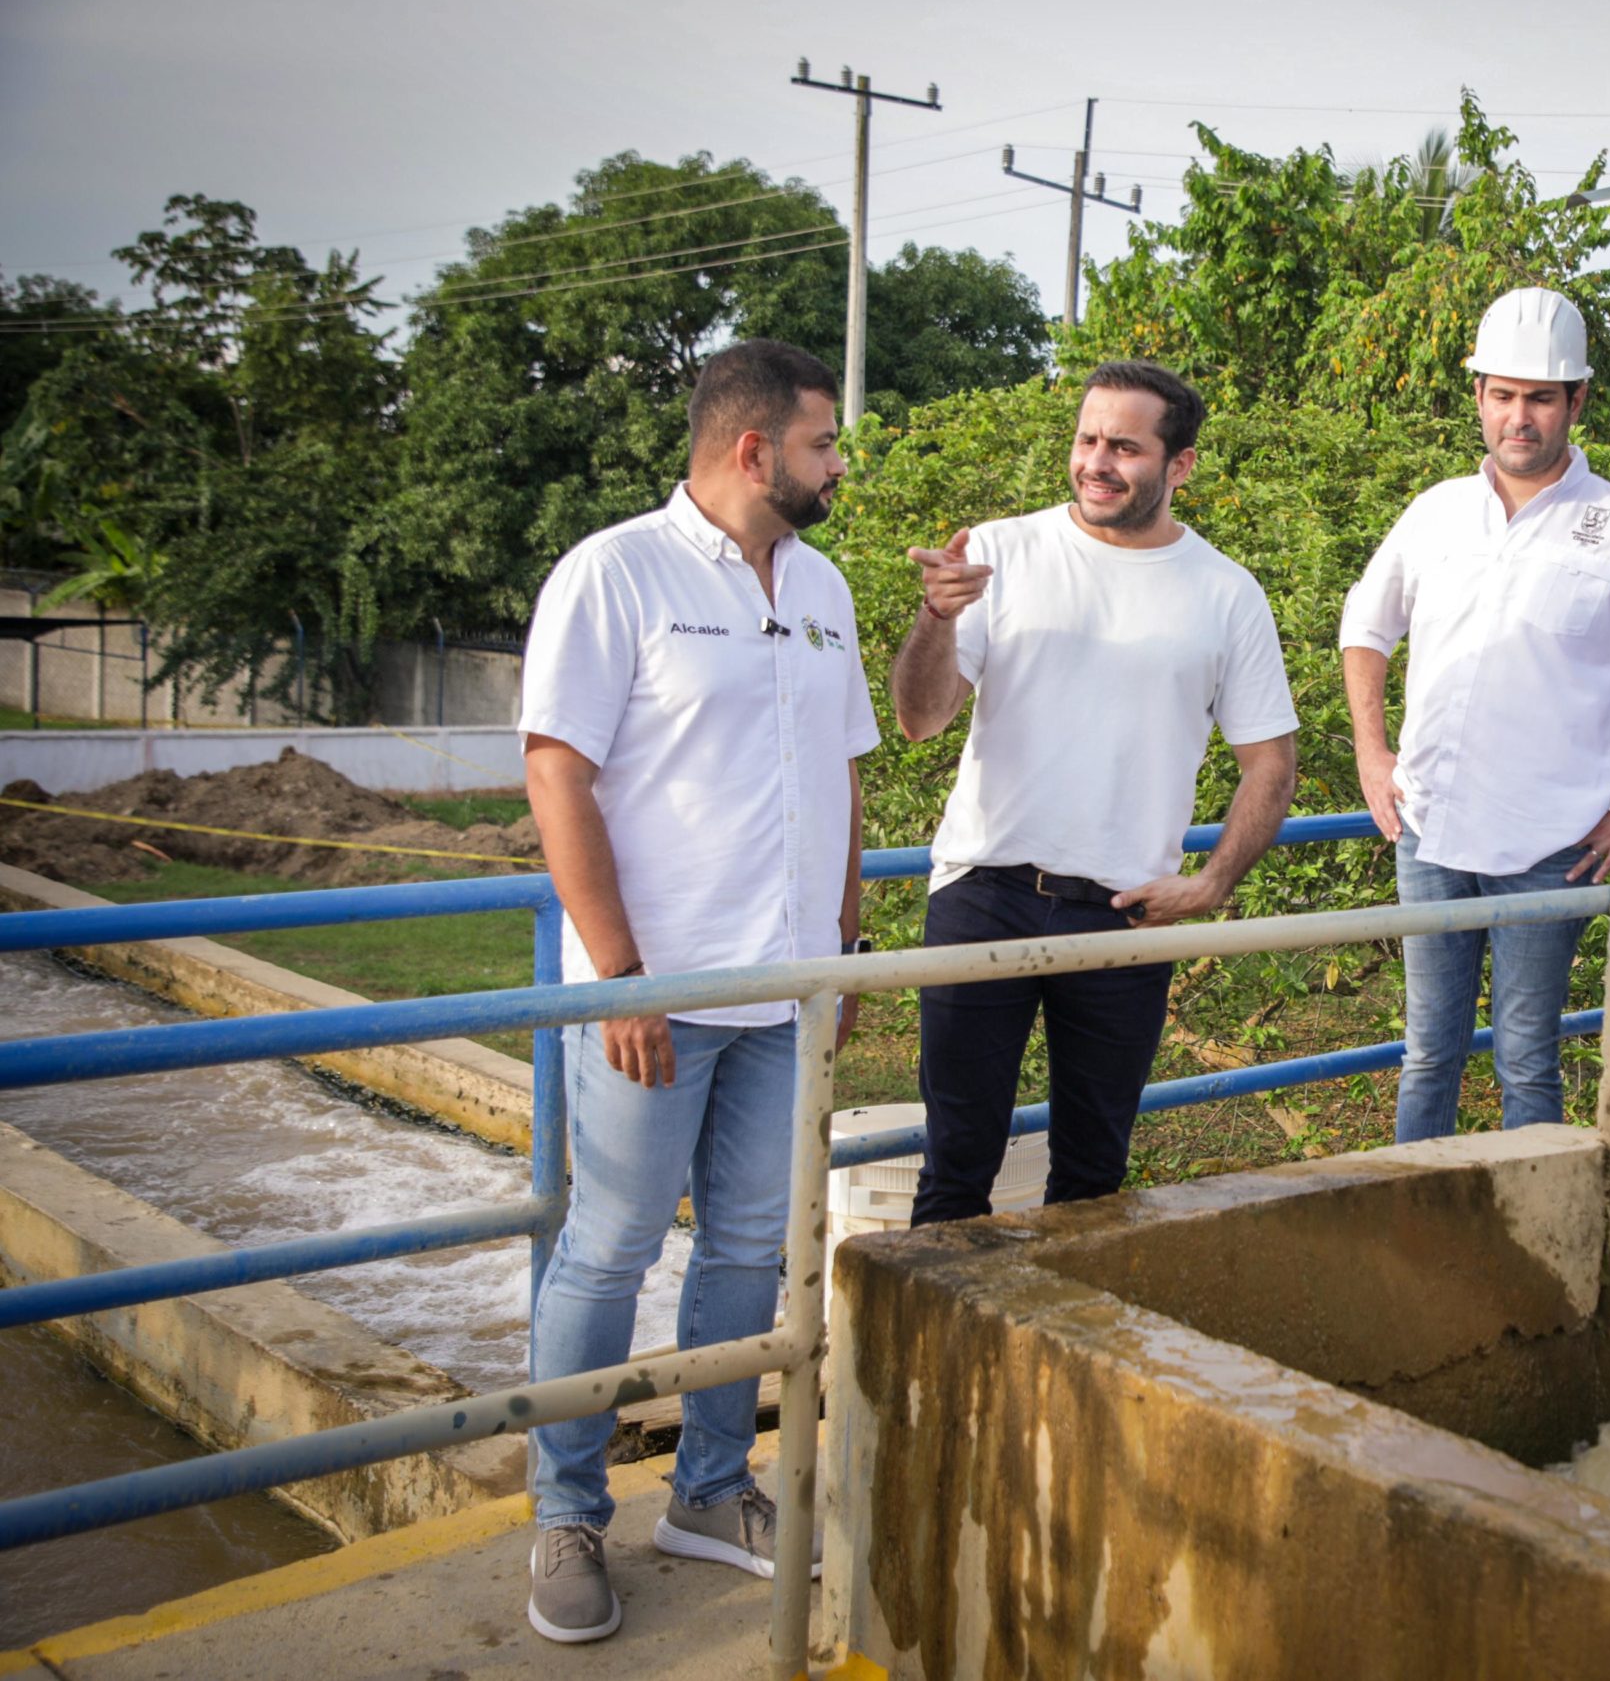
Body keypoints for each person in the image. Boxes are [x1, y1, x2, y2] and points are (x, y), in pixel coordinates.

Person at [514, 338, 876, 1643]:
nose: (838, 464)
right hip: (648, 995)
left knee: (745, 1250)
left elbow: (842, 773)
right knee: (606, 1245)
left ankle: (711, 1491)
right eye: (825, 444)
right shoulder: (617, 573)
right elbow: (557, 769)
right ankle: (565, 1512)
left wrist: (846, 946)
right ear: (752, 448)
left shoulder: (825, 582)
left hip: (788, 991)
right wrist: (619, 972)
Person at [889, 359, 1298, 1224]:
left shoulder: (1227, 592)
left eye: (1125, 446)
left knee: (1092, 1176)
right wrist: (937, 617)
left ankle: (1056, 1359)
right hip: (983, 893)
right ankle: (936, 1363)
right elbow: (919, 719)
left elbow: (1271, 761)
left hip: (1125, 913)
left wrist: (1213, 881)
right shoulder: (998, 549)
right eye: (1086, 439)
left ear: (1179, 465)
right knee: (955, 1168)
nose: (1097, 462)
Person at [1339, 287, 1610, 1144]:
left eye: (1541, 397)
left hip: (1553, 849)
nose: (1520, 416)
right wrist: (1373, 756)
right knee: (1425, 1054)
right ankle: (1416, 1228)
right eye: (1504, 394)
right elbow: (1365, 627)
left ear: (1577, 401)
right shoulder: (1436, 511)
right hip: (1428, 831)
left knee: (1526, 1054)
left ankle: (1532, 1245)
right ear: (1479, 393)